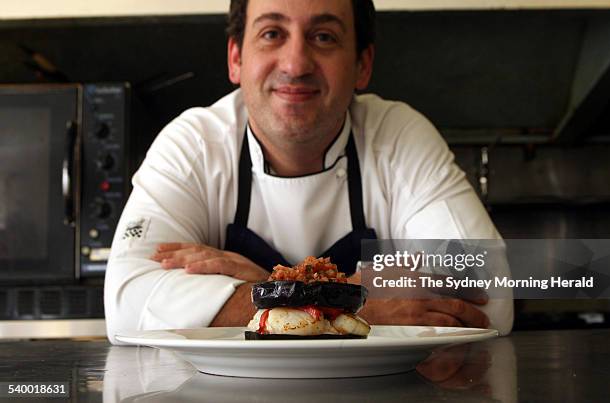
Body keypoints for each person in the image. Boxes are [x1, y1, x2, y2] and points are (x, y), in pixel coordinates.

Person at [104, 0, 513, 344]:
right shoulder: (193, 145)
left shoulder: (399, 137)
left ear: (362, 65)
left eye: (324, 37)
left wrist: (270, 287)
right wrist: (360, 299)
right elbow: (126, 302)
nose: (296, 63)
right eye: (272, 34)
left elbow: (491, 292)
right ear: (236, 58)